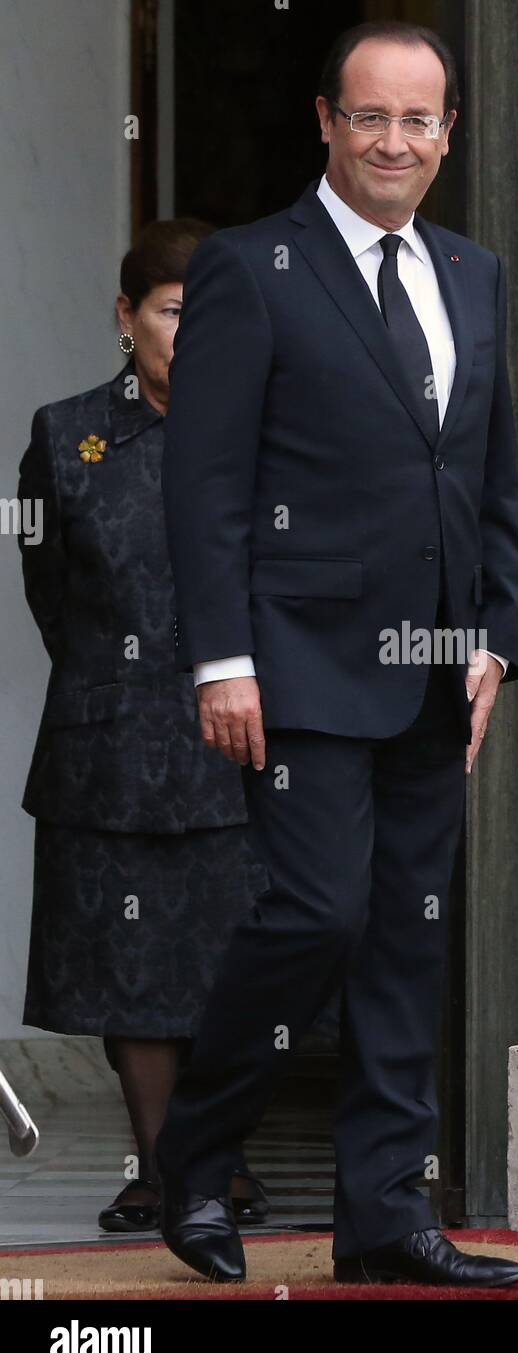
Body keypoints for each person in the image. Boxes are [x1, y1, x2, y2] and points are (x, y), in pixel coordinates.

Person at [156, 21, 518, 1287]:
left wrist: (495, 640)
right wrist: (221, 661)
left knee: (404, 938)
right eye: (370, 117)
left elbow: (489, 476)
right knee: (316, 913)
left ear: (447, 134)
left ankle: (383, 1215)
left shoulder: (473, 274)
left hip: (434, 665)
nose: (394, 141)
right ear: (325, 121)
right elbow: (204, 487)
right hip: (296, 660)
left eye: (418, 120)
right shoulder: (250, 267)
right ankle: (194, 1165)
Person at [16, 220, 272, 1234]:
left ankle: (219, 1160)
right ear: (128, 318)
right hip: (112, 744)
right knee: (131, 967)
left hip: (241, 738)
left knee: (232, 956)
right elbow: (55, 594)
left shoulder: (269, 428)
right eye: (172, 311)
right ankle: (165, 1169)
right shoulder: (67, 434)